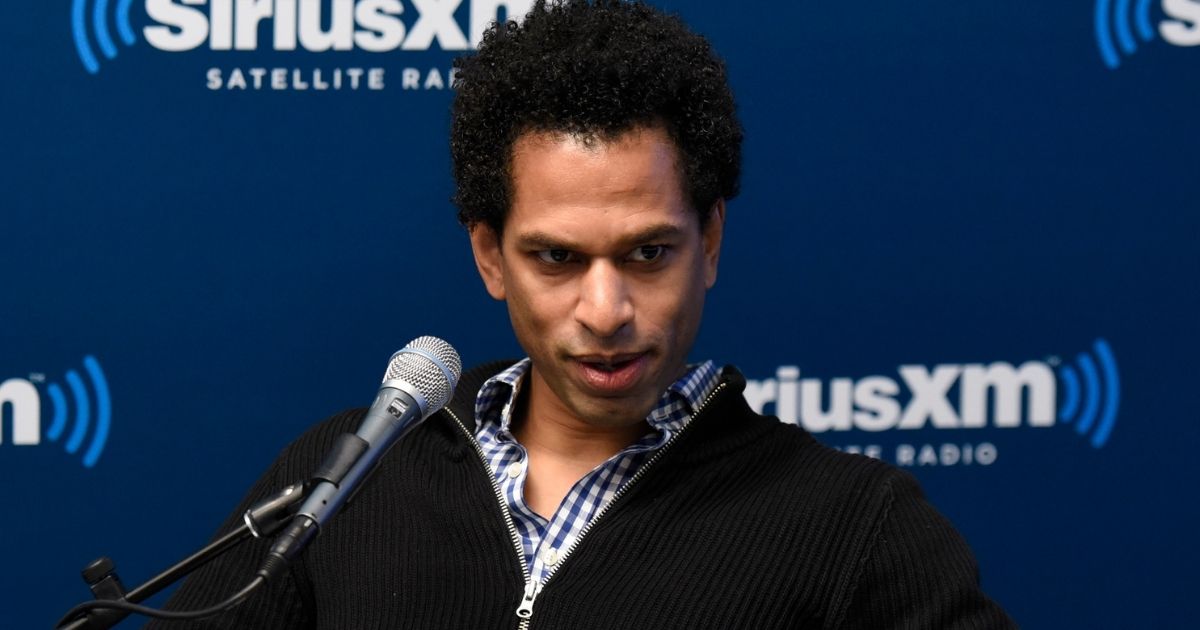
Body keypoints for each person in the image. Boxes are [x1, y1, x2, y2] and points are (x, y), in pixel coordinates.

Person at [151, 1, 1015, 627]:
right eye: (557, 258)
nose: (606, 310)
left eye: (648, 253)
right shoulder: (346, 481)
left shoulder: (856, 528)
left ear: (710, 241)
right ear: (490, 255)